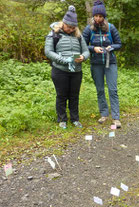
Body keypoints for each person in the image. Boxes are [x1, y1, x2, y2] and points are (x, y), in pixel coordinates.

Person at [45, 5, 89, 129]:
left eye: (73, 27)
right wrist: (64, 60)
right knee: (62, 95)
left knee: (74, 96)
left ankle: (75, 119)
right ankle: (62, 119)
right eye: (69, 27)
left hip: (76, 71)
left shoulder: (79, 36)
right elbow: (48, 52)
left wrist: (83, 57)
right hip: (60, 71)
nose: (70, 29)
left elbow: (86, 51)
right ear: (63, 24)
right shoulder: (54, 34)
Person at [82, 0, 122, 128]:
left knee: (113, 90)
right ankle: (104, 114)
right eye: (96, 16)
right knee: (100, 90)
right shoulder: (89, 29)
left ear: (104, 17)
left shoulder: (111, 27)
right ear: (93, 16)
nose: (98, 18)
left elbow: (119, 44)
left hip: (111, 63)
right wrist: (93, 48)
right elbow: (82, 45)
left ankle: (116, 118)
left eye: (100, 16)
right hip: (96, 63)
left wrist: (111, 47)